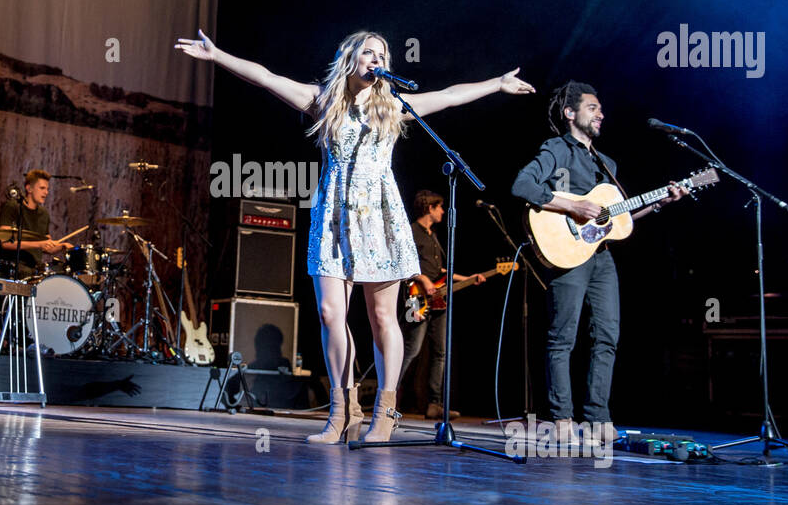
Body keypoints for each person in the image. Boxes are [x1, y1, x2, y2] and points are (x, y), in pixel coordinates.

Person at [176, 29, 534, 444]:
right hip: (333, 217)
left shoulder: (393, 106)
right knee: (331, 314)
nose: (376, 58)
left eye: (382, 53)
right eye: (368, 51)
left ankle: (386, 411)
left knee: (383, 316)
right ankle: (343, 412)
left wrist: (497, 84)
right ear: (350, 57)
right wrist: (218, 55)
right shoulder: (324, 101)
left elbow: (451, 95)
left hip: (380, 220)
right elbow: (267, 77)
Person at [510, 81, 687, 445]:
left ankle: (597, 419)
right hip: (567, 254)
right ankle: (561, 418)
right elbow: (522, 186)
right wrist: (572, 205)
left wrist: (661, 202)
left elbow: (619, 219)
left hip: (601, 258)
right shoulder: (557, 148)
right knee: (563, 337)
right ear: (570, 113)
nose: (601, 113)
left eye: (601, 109)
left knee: (607, 335)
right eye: (593, 107)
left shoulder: (607, 164)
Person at [400, 189, 487, 420]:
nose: (442, 212)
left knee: (440, 352)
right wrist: (423, 279)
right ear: (430, 208)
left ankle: (435, 403)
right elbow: (403, 264)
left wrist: (469, 278)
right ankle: (389, 395)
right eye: (439, 207)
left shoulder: (432, 235)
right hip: (414, 296)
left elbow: (440, 272)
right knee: (412, 349)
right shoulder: (411, 232)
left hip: (438, 299)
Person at [0, 169, 72, 278]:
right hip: (13, 268)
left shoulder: (44, 214)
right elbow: (6, 242)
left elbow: (47, 246)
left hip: (35, 269)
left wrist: (62, 246)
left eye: (47, 189)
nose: (46, 192)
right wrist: (39, 244)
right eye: (42, 188)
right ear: (29, 188)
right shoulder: (12, 207)